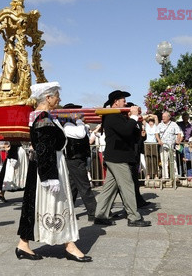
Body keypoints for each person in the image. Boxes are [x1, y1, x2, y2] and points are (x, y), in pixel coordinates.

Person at [17, 81, 92, 262]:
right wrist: (50, 177)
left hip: (49, 164)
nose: (59, 99)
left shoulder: (45, 117)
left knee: (35, 205)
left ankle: (24, 244)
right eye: (57, 95)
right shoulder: (43, 119)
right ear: (48, 98)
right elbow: (44, 148)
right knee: (58, 203)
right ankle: (69, 245)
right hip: (49, 166)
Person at [94, 90, 151, 227]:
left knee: (109, 188)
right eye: (123, 100)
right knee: (128, 186)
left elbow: (129, 133)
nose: (125, 103)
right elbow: (125, 130)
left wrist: (137, 126)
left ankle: (101, 215)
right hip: (117, 157)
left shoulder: (117, 115)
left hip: (117, 156)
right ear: (116, 102)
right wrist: (133, 117)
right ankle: (133, 217)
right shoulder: (113, 116)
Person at [62, 103, 97, 222]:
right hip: (74, 159)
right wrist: (80, 122)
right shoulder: (67, 125)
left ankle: (67, 212)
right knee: (84, 186)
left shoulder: (73, 124)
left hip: (77, 158)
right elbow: (81, 134)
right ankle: (93, 213)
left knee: (73, 187)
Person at [156, 112, 182, 179]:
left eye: (165, 116)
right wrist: (159, 140)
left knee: (173, 161)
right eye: (162, 116)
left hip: (171, 146)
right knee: (164, 161)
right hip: (163, 146)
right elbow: (156, 133)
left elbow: (179, 133)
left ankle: (175, 176)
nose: (163, 117)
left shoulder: (174, 124)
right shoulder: (160, 125)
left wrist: (178, 140)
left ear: (169, 117)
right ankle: (165, 176)